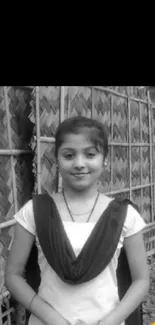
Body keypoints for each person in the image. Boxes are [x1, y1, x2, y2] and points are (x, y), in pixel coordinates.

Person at [5, 116, 149, 325]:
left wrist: (111, 320)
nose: (79, 163)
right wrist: (52, 318)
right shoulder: (35, 211)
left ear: (105, 159)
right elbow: (13, 276)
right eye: (69, 155)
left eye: (90, 154)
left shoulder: (125, 215)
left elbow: (141, 280)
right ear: (56, 158)